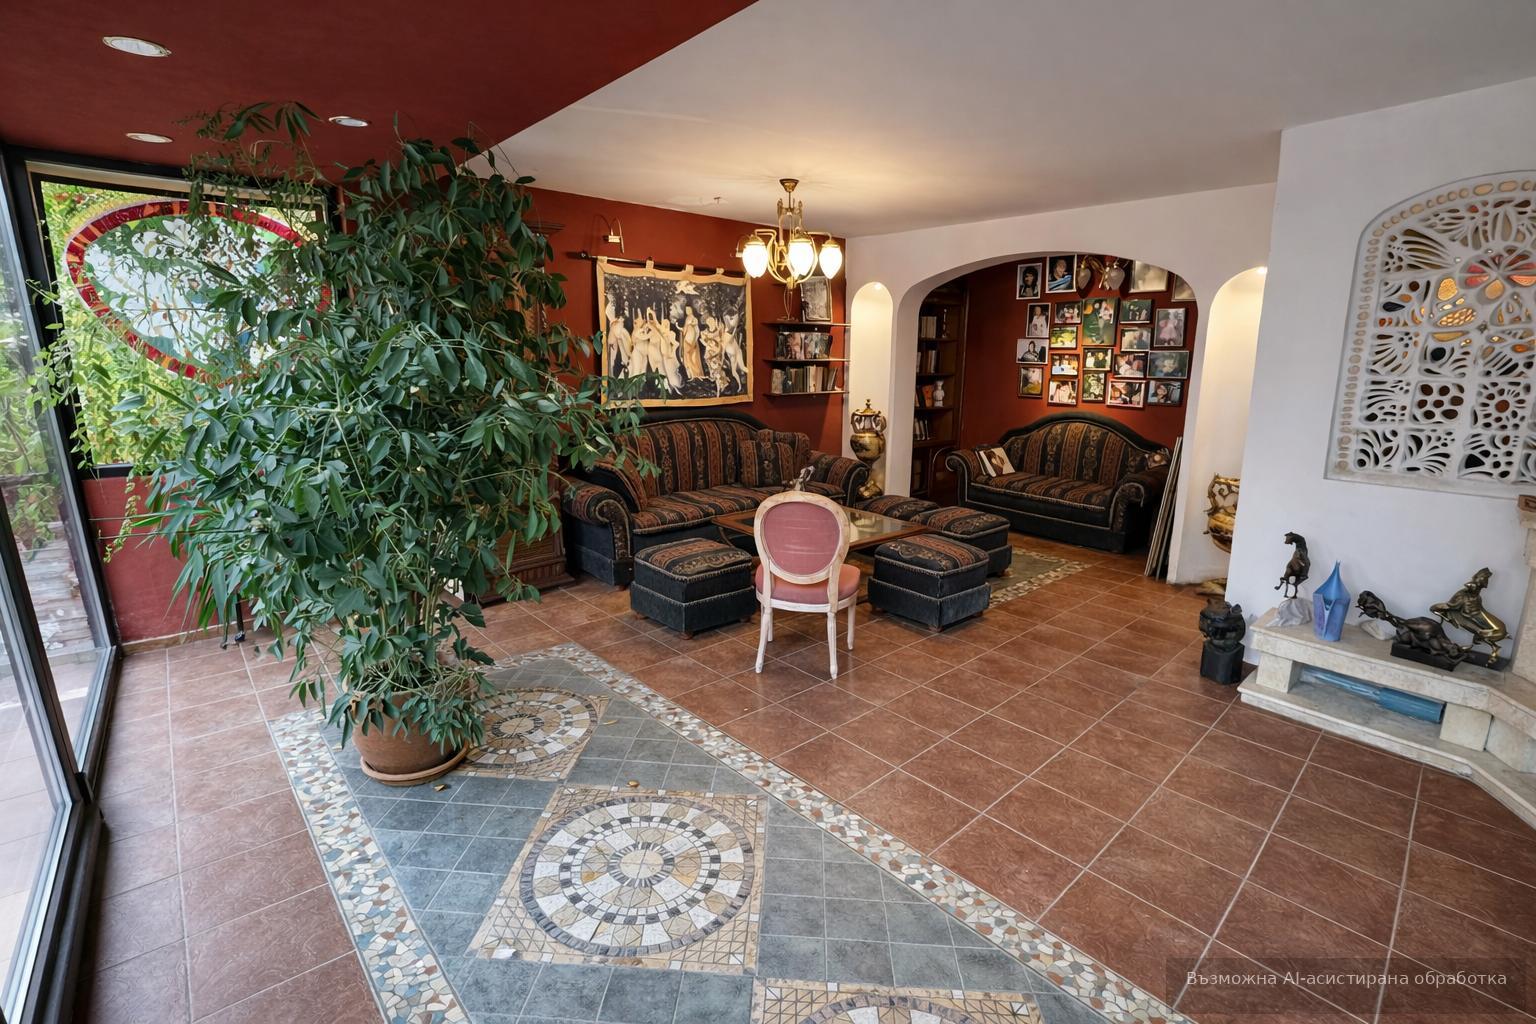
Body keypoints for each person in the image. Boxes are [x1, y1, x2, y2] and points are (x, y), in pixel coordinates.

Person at [604, 299, 632, 377]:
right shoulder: (616, 323)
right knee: (612, 362)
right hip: (613, 343)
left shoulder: (622, 325)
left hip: (617, 344)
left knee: (616, 361)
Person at [680, 306, 704, 380]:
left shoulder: (694, 318)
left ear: (692, 310)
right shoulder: (687, 318)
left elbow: (697, 330)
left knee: (694, 358)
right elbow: (684, 330)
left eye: (689, 309)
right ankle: (691, 374)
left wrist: (694, 340)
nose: (688, 311)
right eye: (686, 310)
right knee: (688, 358)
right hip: (687, 341)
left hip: (693, 341)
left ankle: (697, 374)